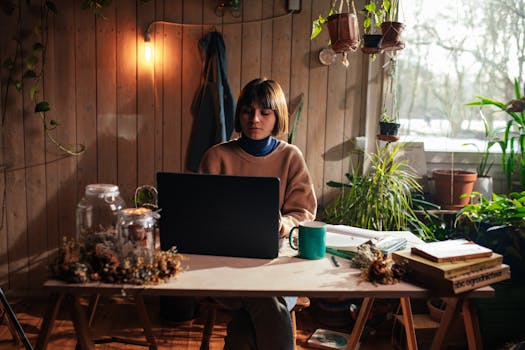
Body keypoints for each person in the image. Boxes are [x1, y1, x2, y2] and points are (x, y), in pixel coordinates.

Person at [199, 78, 317, 350]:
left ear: (278, 117)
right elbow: (200, 212)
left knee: (247, 323)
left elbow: (304, 212)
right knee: (266, 301)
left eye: (265, 112)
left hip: (276, 265)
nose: (255, 119)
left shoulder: (291, 157)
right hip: (224, 267)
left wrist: (284, 224)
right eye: (247, 111)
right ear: (238, 115)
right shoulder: (216, 157)